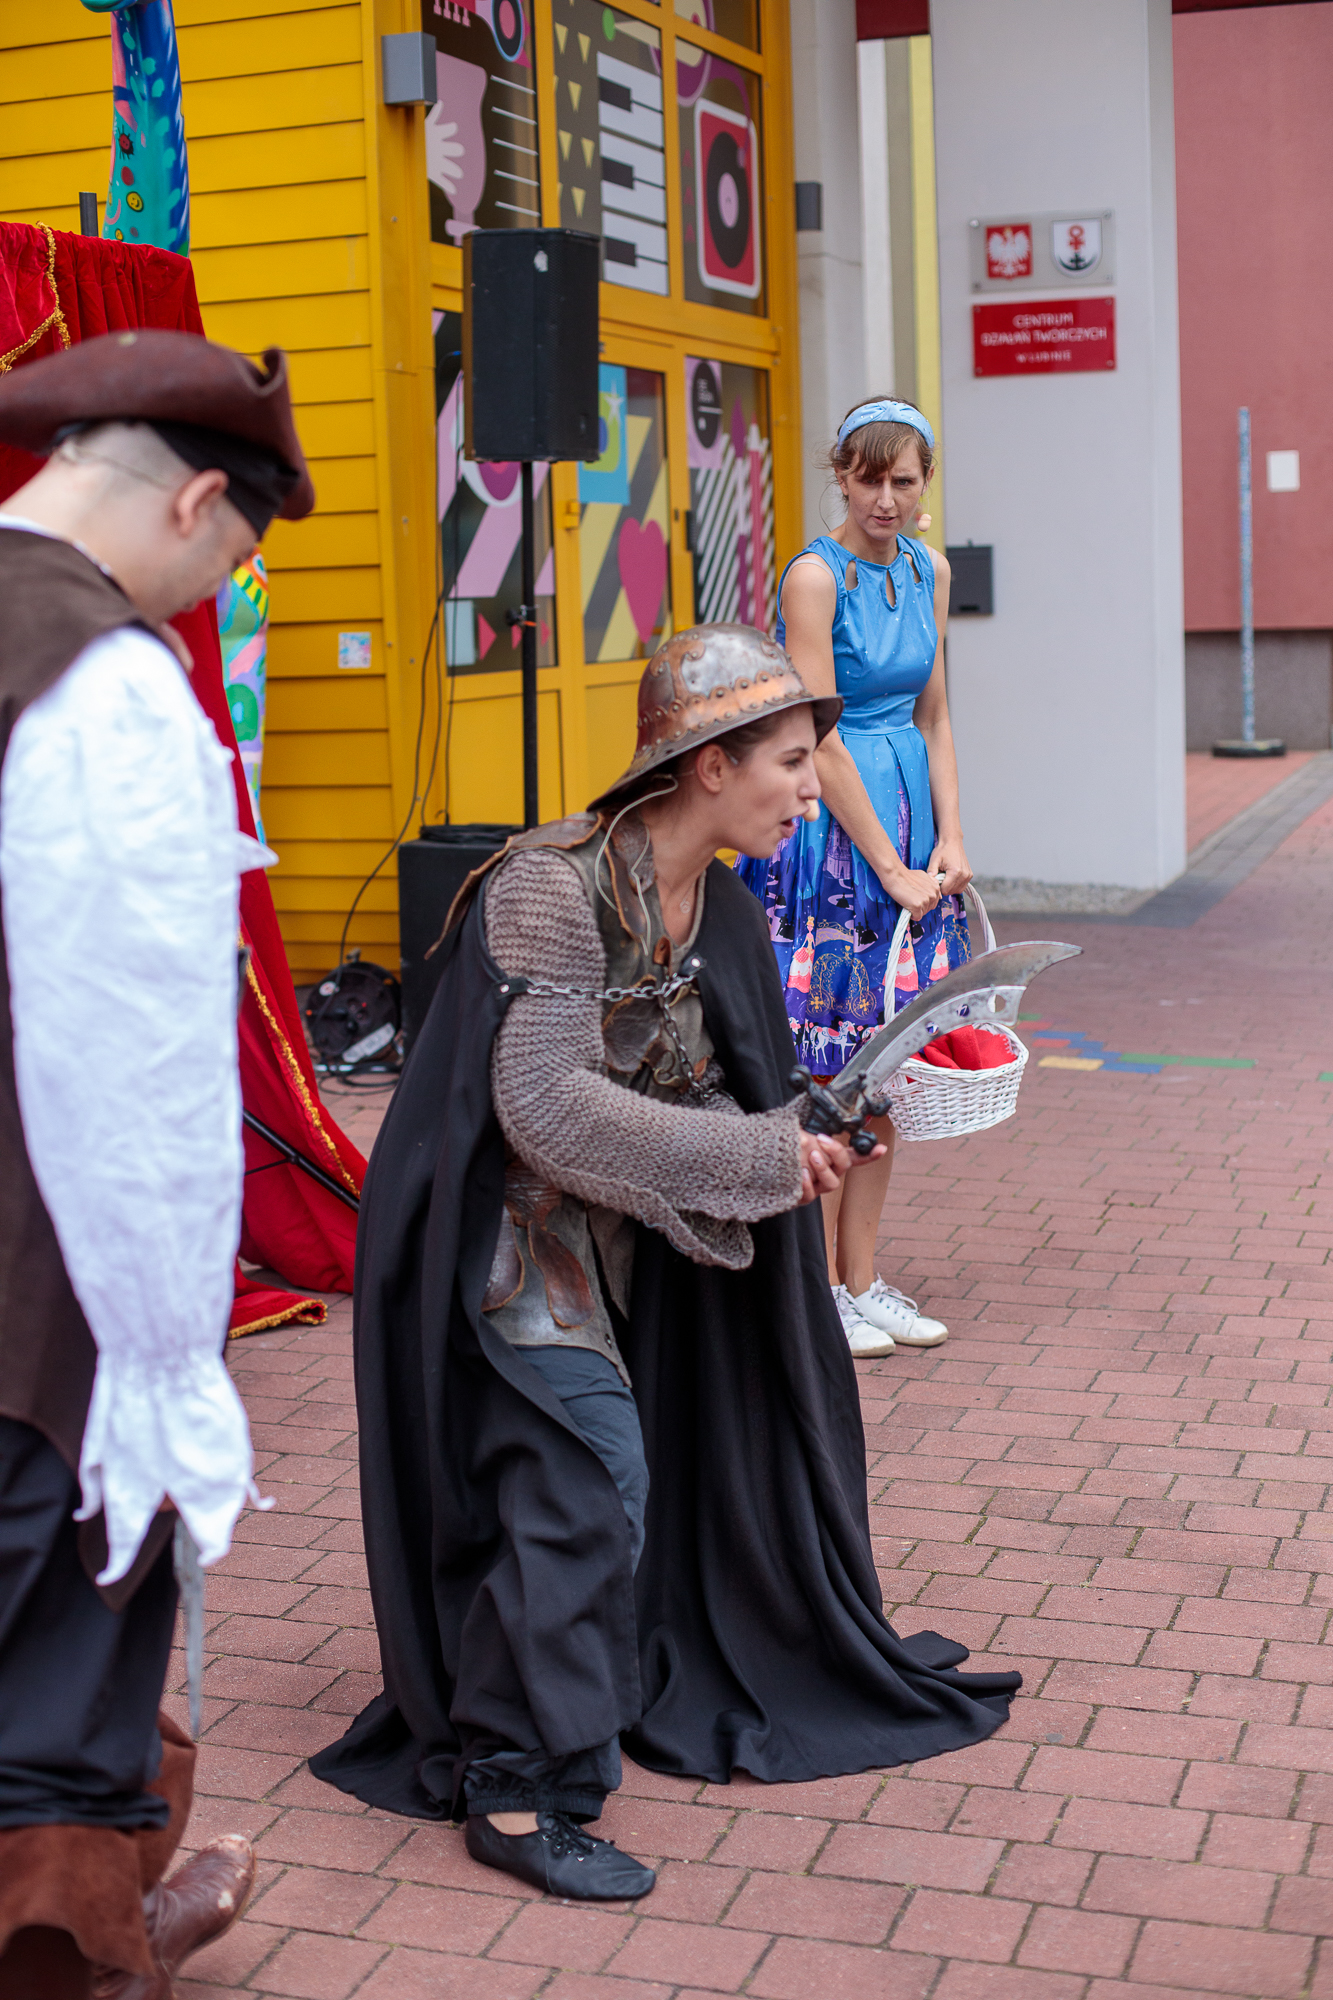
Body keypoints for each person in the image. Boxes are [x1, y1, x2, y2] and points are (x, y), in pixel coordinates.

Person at [311, 623, 1019, 1902]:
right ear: (708, 764)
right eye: (791, 762)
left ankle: (575, 1687)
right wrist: (757, 1152)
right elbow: (544, 1107)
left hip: (635, 1240)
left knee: (597, 1487)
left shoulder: (723, 909)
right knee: (588, 1476)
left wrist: (815, 1130)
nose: (811, 790)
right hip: (507, 1240)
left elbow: (715, 1086)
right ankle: (516, 1787)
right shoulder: (546, 889)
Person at [0, 328, 315, 1998]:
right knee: (50, 1682)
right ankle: (72, 1951)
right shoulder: (102, 681)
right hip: (32, 1293)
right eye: (230, 561)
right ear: (198, 503)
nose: (209, 595)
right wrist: (165, 1359)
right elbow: (139, 1066)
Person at [737, 397, 971, 1360]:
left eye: (901, 481)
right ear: (839, 476)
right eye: (867, 479)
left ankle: (862, 1281)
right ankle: (813, 1293)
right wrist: (887, 866)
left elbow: (934, 714)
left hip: (908, 820)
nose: (885, 498)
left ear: (924, 483)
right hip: (830, 838)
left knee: (884, 1073)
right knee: (822, 1075)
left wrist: (950, 837)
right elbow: (818, 735)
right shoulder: (812, 576)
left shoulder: (929, 570)